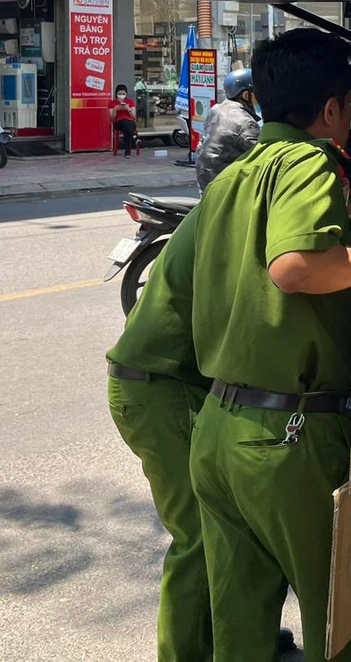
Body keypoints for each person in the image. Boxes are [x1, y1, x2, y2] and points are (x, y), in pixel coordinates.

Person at [188, 28, 351, 660]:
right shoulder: (310, 160)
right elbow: (293, 268)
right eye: (348, 108)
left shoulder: (235, 175)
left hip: (219, 428)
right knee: (338, 613)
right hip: (286, 438)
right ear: (332, 108)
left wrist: (345, 235)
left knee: (241, 618)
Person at [106, 208, 212, 661]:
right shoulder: (244, 219)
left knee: (222, 523)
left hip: (152, 384)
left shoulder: (219, 207)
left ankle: (228, 631)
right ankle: (184, 652)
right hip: (161, 391)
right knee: (199, 535)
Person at [195, 67, 261, 192]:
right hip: (226, 187)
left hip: (205, 180)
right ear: (246, 95)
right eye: (258, 93)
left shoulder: (216, 110)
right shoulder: (245, 122)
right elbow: (262, 157)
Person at [113, 84, 139, 156]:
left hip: (130, 123)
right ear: (116, 94)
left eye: (123, 94)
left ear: (126, 94)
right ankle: (135, 138)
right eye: (119, 94)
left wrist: (128, 109)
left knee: (126, 126)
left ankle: (127, 152)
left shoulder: (130, 102)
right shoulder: (112, 103)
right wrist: (115, 109)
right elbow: (112, 118)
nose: (121, 95)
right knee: (125, 122)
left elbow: (133, 116)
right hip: (118, 123)